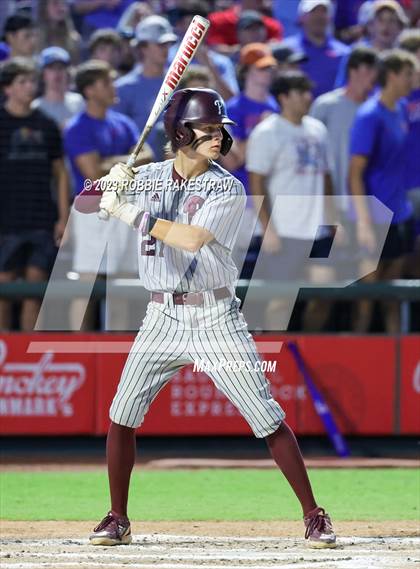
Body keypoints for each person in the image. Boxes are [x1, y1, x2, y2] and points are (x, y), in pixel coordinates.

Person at [74, 87, 336, 549]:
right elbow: (86, 203)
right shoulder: (150, 175)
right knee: (122, 413)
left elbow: (192, 239)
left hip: (214, 314)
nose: (218, 137)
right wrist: (108, 181)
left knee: (266, 416)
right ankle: (117, 516)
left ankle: (314, 513)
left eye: (220, 130)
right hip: (161, 316)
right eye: (208, 129)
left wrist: (130, 211)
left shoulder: (226, 186)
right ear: (181, 131)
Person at [246, 71, 337, 332]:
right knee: (280, 301)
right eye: (301, 92)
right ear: (284, 97)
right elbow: (257, 184)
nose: (308, 97)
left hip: (317, 231)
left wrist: (332, 220)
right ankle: (279, 360)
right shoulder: (267, 132)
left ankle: (306, 347)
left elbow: (327, 178)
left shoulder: (318, 129)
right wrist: (268, 229)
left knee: (323, 297)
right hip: (284, 232)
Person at [64, 60, 150, 330]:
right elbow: (92, 172)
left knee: (121, 283)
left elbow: (148, 157)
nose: (113, 87)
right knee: (87, 281)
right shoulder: (78, 126)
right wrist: (127, 161)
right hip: (93, 211)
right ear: (89, 90)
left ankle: (115, 350)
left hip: (123, 207)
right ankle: (80, 349)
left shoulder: (122, 122)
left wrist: (110, 162)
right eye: (106, 83)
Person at [349, 49, 417, 332]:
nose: (413, 80)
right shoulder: (369, 116)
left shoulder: (400, 109)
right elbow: (355, 174)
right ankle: (354, 360)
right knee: (366, 298)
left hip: (400, 215)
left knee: (393, 296)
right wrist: (364, 223)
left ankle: (395, 367)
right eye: (408, 74)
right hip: (374, 219)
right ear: (392, 75)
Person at [0, 57, 69, 331]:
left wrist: (63, 217)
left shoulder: (46, 124)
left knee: (35, 292)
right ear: (7, 88)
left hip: (41, 219)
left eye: (32, 81)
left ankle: (26, 357)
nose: (30, 87)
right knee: (3, 291)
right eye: (23, 81)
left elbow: (60, 173)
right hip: (5, 221)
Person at [222, 43, 278, 278]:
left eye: (268, 69)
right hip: (241, 202)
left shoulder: (275, 104)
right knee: (232, 274)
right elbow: (233, 160)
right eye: (260, 69)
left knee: (266, 274)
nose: (266, 74)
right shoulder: (232, 109)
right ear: (246, 71)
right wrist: (261, 130)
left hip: (271, 199)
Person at [310, 46, 378, 214]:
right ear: (352, 70)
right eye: (368, 69)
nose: (374, 75)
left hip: (369, 199)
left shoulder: (376, 109)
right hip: (332, 198)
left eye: (376, 69)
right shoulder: (325, 105)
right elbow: (312, 152)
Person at [114, 15, 177, 161]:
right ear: (143, 47)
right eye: (160, 44)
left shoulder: (181, 82)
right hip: (143, 173)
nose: (165, 49)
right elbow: (119, 137)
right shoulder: (123, 88)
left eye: (168, 44)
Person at [281, 0, 350, 98]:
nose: (319, 16)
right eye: (313, 11)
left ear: (330, 18)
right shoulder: (287, 49)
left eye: (324, 11)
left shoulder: (344, 52)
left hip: (331, 111)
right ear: (301, 17)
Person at [335, 0, 409, 87]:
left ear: (400, 27)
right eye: (380, 20)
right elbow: (342, 88)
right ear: (370, 26)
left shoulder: (404, 57)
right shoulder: (355, 53)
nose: (386, 25)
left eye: (392, 20)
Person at [32, 46, 84, 130]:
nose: (57, 72)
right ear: (42, 74)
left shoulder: (80, 102)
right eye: (51, 68)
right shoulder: (35, 107)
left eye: (61, 67)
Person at [206, 0, 283, 51]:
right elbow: (213, 48)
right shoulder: (217, 20)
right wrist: (236, 51)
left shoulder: (273, 25)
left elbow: (275, 48)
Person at [36, 0, 81, 64]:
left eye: (64, 3)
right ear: (44, 8)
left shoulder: (74, 38)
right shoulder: (34, 37)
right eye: (55, 3)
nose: (61, 7)